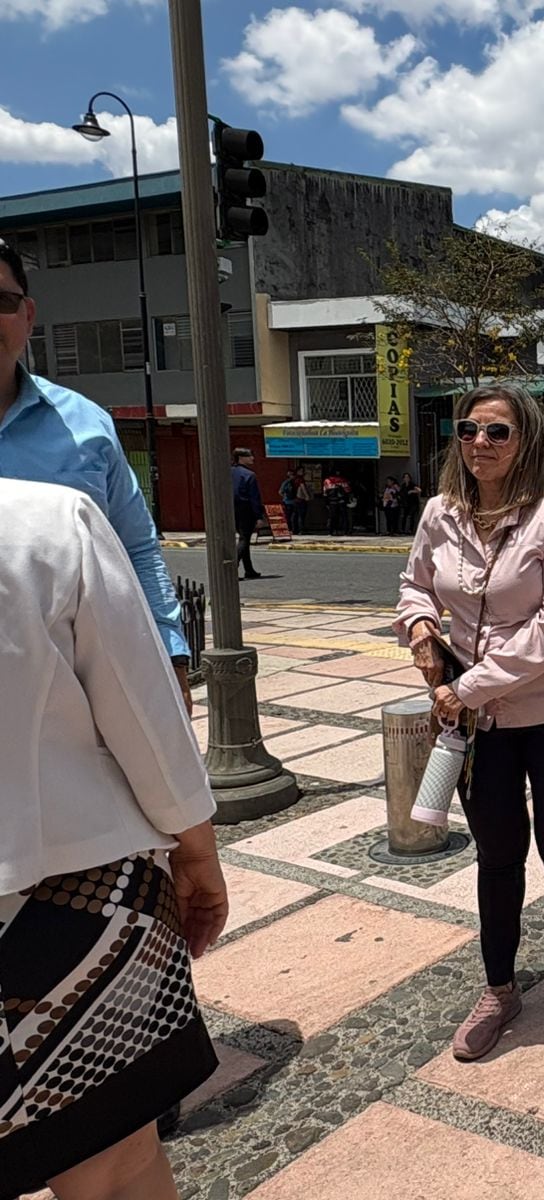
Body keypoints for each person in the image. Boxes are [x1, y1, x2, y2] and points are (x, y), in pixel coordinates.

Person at [0, 478, 228, 1200]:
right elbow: (142, 712)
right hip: (69, 898)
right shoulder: (46, 521)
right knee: (114, 1166)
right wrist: (195, 848)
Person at [397, 383, 544, 1064]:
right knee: (497, 856)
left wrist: (466, 685)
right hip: (477, 724)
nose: (480, 444)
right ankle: (500, 989)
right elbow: (414, 582)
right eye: (468, 430)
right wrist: (420, 625)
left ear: (525, 440)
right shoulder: (440, 512)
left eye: (498, 432)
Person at [0, 236, 192, 709]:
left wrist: (170, 658)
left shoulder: (86, 424)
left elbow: (135, 548)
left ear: (27, 315)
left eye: (0, 301)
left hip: (78, 694)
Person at [231, 447, 266, 580]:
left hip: (232, 510)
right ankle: (232, 567)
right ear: (241, 458)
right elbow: (254, 498)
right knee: (244, 539)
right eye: (250, 456)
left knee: (243, 538)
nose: (252, 458)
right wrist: (259, 516)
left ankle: (249, 569)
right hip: (246, 510)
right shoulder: (249, 475)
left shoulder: (228, 472)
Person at [293, 470, 312, 535]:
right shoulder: (300, 480)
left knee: (296, 515)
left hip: (295, 500)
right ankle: (301, 530)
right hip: (301, 499)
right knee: (301, 515)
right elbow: (303, 487)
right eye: (301, 471)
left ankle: (295, 530)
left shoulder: (294, 479)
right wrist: (307, 496)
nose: (303, 472)